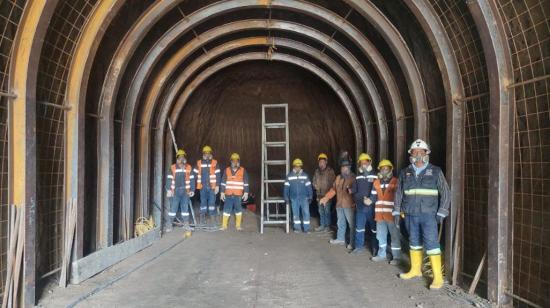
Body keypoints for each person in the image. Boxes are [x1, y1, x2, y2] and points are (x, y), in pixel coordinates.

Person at [393, 139, 450, 289]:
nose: (418, 155)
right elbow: (398, 193)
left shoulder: (436, 171)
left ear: (426, 154)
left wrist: (442, 211)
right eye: (415, 152)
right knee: (414, 242)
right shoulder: (405, 172)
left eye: (421, 152)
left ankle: (438, 278)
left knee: (432, 244)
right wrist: (397, 211)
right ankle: (415, 270)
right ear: (410, 154)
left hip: (428, 215)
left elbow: (445, 192)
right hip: (410, 214)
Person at [369, 159, 401, 265]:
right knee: (380, 236)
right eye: (382, 169)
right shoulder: (376, 182)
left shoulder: (396, 182)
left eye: (387, 169)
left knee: (394, 236)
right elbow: (373, 197)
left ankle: (396, 257)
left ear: (391, 169)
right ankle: (381, 254)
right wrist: (368, 200)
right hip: (380, 216)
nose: (384, 171)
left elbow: (399, 197)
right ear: (380, 170)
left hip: (391, 215)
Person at [320, 159, 355, 250]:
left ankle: (352, 242)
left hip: (349, 205)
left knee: (352, 224)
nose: (343, 169)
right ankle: (340, 239)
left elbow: (357, 192)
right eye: (342, 167)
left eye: (345, 167)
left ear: (349, 167)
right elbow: (334, 190)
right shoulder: (338, 178)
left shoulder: (353, 177)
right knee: (340, 223)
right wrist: (326, 198)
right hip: (339, 204)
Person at [349, 153, 378, 255]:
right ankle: (358, 247)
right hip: (360, 206)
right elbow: (355, 189)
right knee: (359, 227)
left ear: (370, 162)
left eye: (365, 162)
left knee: (374, 229)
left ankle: (375, 248)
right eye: (361, 162)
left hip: (371, 207)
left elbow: (378, 191)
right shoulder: (358, 177)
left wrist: (371, 200)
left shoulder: (375, 175)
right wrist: (351, 190)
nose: (363, 164)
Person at [165, 149, 195, 232]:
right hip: (175, 192)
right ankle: (169, 225)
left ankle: (186, 224)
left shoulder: (189, 167)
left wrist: (192, 190)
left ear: (185, 158)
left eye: (183, 157)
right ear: (177, 158)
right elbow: (169, 179)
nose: (182, 159)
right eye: (180, 157)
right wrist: (168, 190)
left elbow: (192, 179)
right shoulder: (172, 167)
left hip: (186, 192)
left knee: (185, 208)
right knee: (173, 209)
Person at [220, 153, 249, 231]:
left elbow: (246, 182)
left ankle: (238, 226)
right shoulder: (227, 170)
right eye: (233, 161)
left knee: (238, 210)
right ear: (231, 161)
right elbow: (223, 182)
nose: (235, 162)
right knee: (226, 210)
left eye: (237, 161)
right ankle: (224, 225)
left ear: (239, 161)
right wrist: (222, 192)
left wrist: (246, 192)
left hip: (238, 194)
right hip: (228, 194)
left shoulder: (243, 170)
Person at [193, 145, 221, 226]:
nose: (207, 155)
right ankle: (202, 218)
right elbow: (193, 174)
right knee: (203, 203)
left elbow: (218, 175)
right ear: (203, 154)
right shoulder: (199, 163)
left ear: (211, 154)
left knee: (212, 202)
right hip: (203, 187)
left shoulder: (215, 163)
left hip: (212, 187)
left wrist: (217, 186)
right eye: (206, 153)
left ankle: (212, 217)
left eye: (209, 153)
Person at [284, 158, 313, 233]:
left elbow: (309, 187)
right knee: (295, 213)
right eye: (296, 166)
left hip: (304, 198)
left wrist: (310, 196)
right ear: (293, 166)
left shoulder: (305, 175)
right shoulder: (289, 176)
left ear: (301, 167)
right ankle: (297, 228)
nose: (297, 168)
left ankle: (306, 229)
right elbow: (286, 188)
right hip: (294, 198)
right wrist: (286, 198)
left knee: (306, 213)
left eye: (299, 166)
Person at [312, 153, 336, 232]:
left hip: (327, 195)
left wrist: (329, 194)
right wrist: (315, 186)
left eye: (323, 161)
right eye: (320, 162)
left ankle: (327, 226)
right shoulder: (316, 171)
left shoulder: (330, 171)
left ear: (326, 162)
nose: (321, 163)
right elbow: (314, 181)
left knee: (327, 211)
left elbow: (334, 183)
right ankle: (322, 225)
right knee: (321, 211)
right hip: (319, 195)